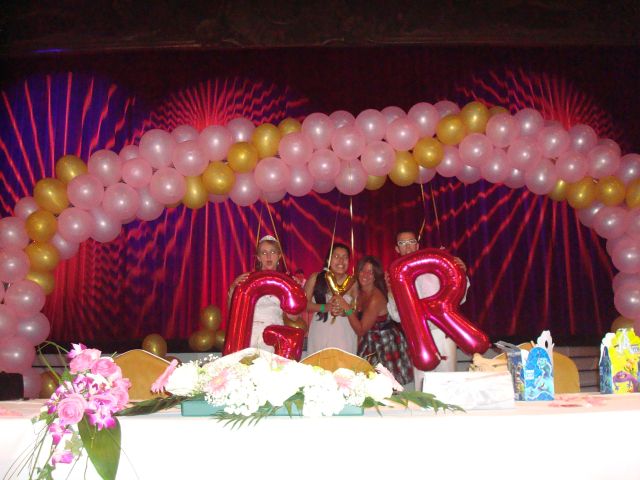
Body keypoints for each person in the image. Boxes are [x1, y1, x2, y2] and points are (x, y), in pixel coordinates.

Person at [386, 229, 470, 390]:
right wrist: (390, 291)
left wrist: (461, 273)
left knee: (447, 384)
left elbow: (460, 299)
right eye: (402, 244)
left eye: (411, 242)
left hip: (442, 333)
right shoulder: (396, 277)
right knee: (422, 384)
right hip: (418, 336)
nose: (408, 247)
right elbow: (396, 316)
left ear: (417, 245)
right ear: (397, 249)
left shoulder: (434, 270)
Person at [332, 255, 413, 386]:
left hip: (385, 345)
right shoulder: (360, 291)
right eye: (363, 270)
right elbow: (358, 315)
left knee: (387, 388)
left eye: (371, 271)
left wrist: (346, 307)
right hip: (370, 343)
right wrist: (343, 312)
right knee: (368, 387)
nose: (365, 274)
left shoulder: (376, 297)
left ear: (376, 275)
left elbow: (361, 329)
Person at [228, 235, 293, 352]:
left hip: (275, 335)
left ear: (279, 256)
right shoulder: (248, 280)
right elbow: (232, 312)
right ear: (258, 257)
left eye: (273, 252)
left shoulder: (287, 282)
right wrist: (233, 288)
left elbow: (293, 316)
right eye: (264, 253)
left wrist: (295, 290)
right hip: (250, 336)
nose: (268, 256)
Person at [305, 243, 358, 355]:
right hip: (320, 332)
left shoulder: (353, 283)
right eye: (336, 256)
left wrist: (344, 312)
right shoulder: (317, 278)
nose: (341, 261)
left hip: (344, 334)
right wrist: (325, 307)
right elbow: (304, 305)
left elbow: (356, 310)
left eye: (345, 257)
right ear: (329, 259)